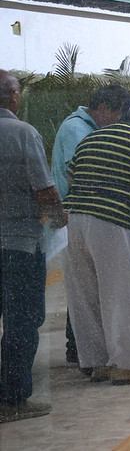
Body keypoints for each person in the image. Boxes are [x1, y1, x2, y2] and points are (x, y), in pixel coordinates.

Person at [64, 96, 130, 385]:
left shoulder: (92, 138)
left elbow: (71, 175)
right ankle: (125, 364)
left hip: (74, 220)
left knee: (87, 297)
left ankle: (98, 363)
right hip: (115, 221)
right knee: (121, 294)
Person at [0, 70, 67, 423]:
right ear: (12, 96)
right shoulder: (23, 134)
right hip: (19, 246)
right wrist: (58, 217)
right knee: (22, 321)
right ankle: (13, 399)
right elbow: (44, 189)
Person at [51, 84, 130, 363]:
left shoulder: (86, 128)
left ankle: (82, 349)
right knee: (85, 286)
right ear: (102, 109)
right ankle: (80, 350)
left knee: (85, 284)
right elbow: (80, 174)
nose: (118, 120)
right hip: (77, 215)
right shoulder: (77, 130)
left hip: (80, 216)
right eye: (117, 113)